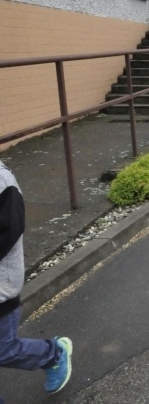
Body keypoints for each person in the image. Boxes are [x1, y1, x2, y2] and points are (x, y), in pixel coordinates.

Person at [0, 161, 73, 398]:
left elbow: (9, 232)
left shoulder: (3, 181)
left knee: (3, 350)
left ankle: (53, 354)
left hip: (1, 286)